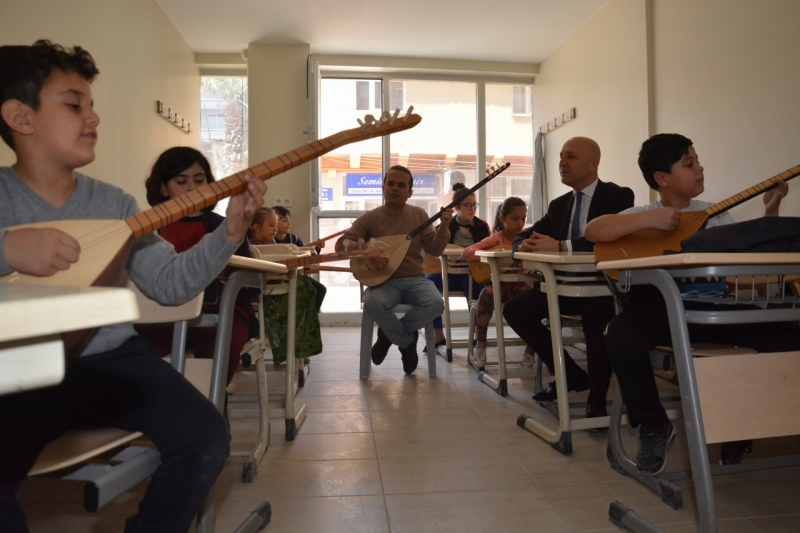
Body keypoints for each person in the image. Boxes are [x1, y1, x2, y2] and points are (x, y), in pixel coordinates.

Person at [0, 40, 266, 533]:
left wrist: (229, 232)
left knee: (205, 437)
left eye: (92, 104)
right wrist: (7, 249)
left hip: (112, 358)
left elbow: (169, 284)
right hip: (20, 363)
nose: (94, 117)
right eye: (74, 105)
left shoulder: (116, 205)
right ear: (20, 117)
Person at [585, 132, 796, 475]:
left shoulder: (716, 215)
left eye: (697, 161)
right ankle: (655, 426)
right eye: (689, 163)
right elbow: (594, 231)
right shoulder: (641, 214)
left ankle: (740, 425)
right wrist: (651, 220)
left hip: (716, 310)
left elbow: (755, 252)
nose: (700, 168)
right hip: (663, 313)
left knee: (785, 332)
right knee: (619, 333)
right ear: (662, 178)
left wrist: (770, 211)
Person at [502, 136, 634, 421]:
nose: (562, 162)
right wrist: (521, 247)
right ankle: (571, 375)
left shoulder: (619, 196)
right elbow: (524, 235)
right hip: (564, 286)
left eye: (571, 156)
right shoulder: (559, 205)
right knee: (514, 310)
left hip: (603, 287)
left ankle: (597, 398)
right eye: (561, 156)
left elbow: (612, 240)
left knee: (597, 319)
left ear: (593, 164)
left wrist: (562, 246)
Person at [136, 146, 257, 386]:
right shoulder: (148, 231)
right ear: (163, 188)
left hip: (221, 314)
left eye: (200, 180)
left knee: (214, 359)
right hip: (161, 316)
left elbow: (249, 284)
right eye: (181, 181)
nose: (192, 188)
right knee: (137, 356)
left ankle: (211, 403)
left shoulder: (227, 227)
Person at [335, 165, 453, 374]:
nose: (394, 188)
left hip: (415, 279)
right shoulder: (371, 218)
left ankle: (387, 336)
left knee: (436, 303)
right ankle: (407, 341)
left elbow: (435, 249)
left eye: (401, 185)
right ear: (383, 188)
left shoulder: (419, 215)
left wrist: (443, 227)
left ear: (410, 192)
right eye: (390, 183)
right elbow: (341, 245)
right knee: (373, 303)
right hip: (383, 281)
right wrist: (368, 252)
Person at [461, 197, 535, 369]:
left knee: (535, 301)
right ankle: (481, 345)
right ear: (503, 219)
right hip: (499, 287)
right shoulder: (496, 239)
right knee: (486, 294)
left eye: (523, 218)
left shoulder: (527, 239)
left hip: (522, 287)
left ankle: (530, 352)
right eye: (515, 219)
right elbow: (467, 253)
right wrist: (493, 254)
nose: (520, 223)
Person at [425, 182, 490, 351]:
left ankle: (478, 333)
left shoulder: (482, 226)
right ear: (457, 207)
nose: (472, 209)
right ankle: (438, 333)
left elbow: (489, 250)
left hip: (472, 273)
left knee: (475, 286)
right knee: (427, 283)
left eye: (474, 205)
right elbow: (432, 251)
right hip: (449, 275)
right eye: (467, 205)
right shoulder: (444, 226)